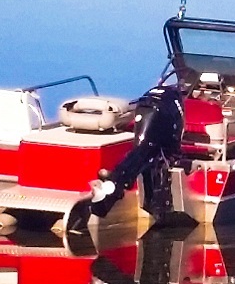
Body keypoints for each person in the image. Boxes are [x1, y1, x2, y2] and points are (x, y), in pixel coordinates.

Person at [70, 85, 187, 233]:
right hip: (154, 133)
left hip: (150, 118)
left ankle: (110, 187)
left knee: (140, 154)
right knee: (142, 155)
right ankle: (112, 190)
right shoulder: (171, 104)